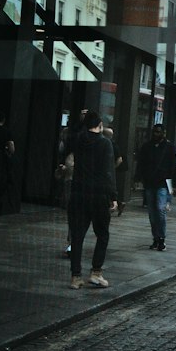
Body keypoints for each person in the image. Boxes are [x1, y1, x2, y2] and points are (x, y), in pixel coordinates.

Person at [67, 111, 117, 289]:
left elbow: (69, 139)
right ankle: (96, 272)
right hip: (99, 195)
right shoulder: (105, 143)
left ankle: (75, 276)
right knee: (102, 234)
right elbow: (108, 172)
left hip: (78, 193)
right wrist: (113, 196)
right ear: (100, 124)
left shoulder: (77, 140)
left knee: (77, 236)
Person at [136, 123, 176, 251]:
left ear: (164, 133)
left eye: (159, 132)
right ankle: (156, 238)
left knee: (160, 209)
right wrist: (137, 178)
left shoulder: (170, 147)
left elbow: (174, 166)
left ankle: (161, 238)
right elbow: (141, 163)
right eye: (154, 132)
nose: (156, 134)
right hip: (150, 183)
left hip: (163, 183)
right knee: (152, 213)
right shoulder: (146, 147)